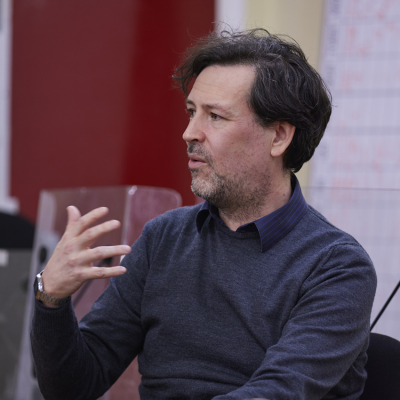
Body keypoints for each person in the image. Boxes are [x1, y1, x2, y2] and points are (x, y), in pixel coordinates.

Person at [31, 29, 376, 400]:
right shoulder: (164, 237)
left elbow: (276, 392)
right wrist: (51, 298)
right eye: (192, 112)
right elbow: (72, 386)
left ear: (278, 136)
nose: (188, 133)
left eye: (215, 117)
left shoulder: (337, 266)